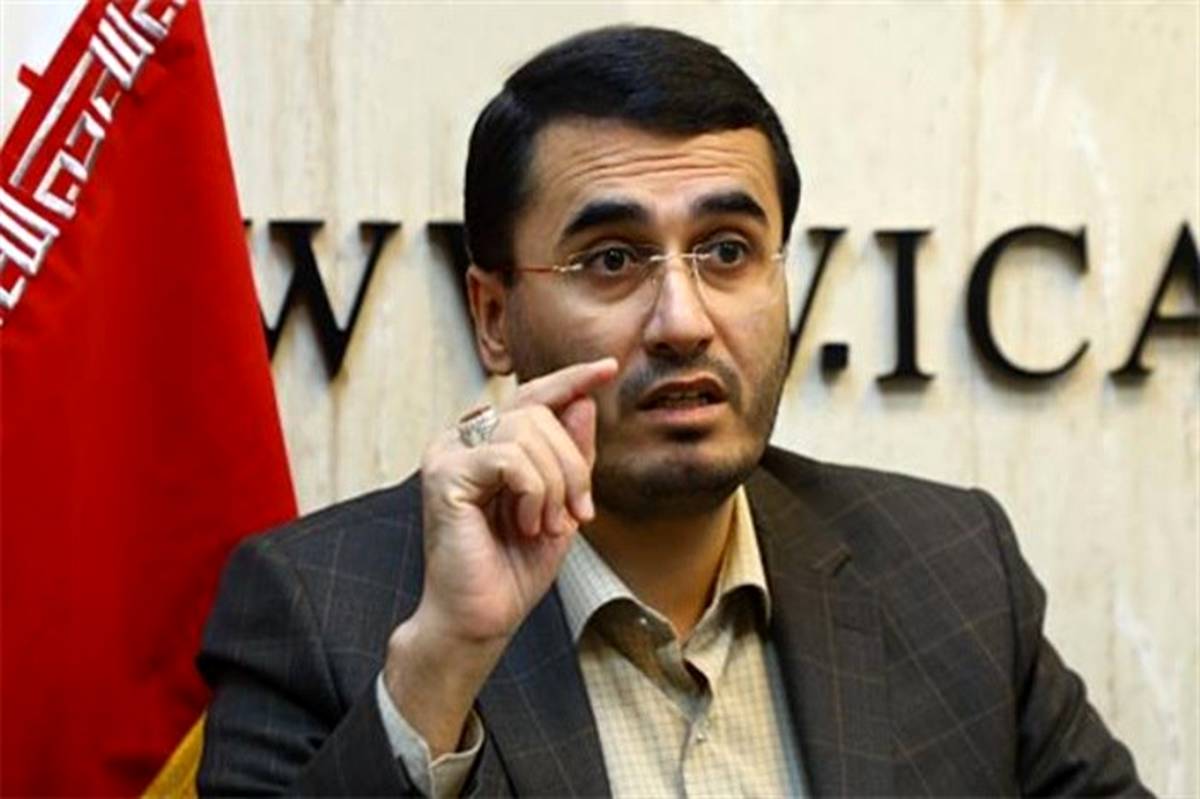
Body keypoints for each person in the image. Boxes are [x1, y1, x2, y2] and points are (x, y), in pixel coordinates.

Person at [196, 25, 1150, 797]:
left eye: (728, 250)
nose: (684, 321)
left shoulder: (952, 567)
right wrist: (440, 667)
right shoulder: (318, 606)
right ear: (493, 316)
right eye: (612, 259)